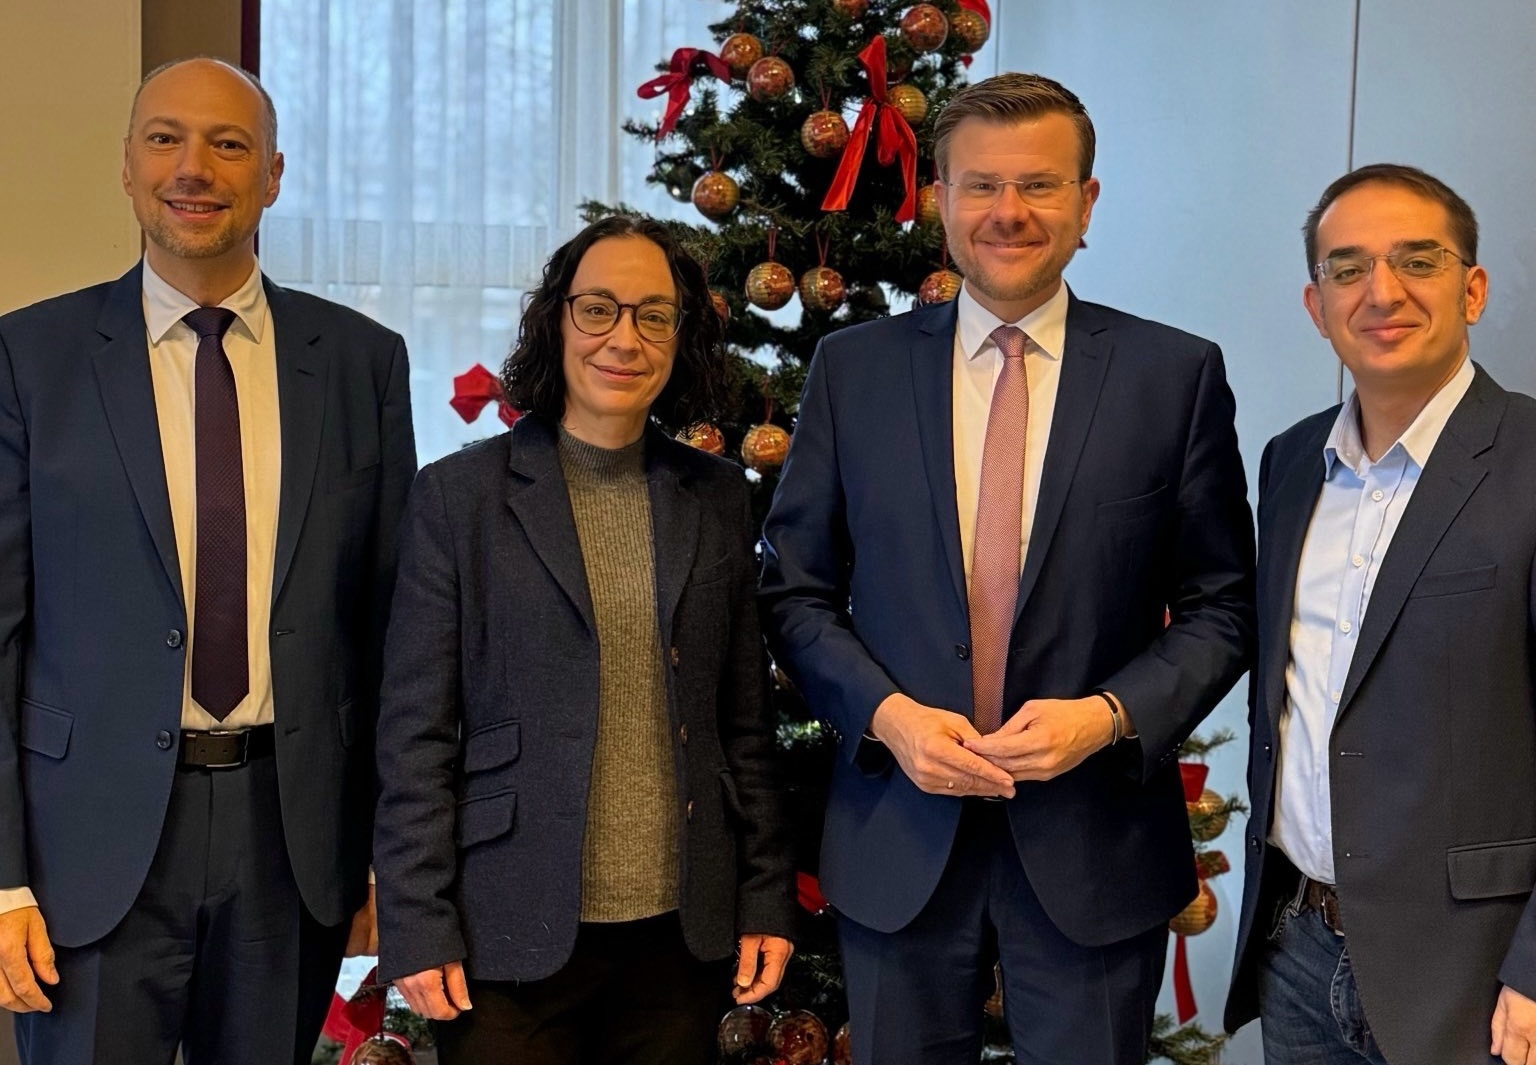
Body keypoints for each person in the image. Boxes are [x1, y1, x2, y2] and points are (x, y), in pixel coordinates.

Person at [759, 71, 1255, 1065]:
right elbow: (795, 591)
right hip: (899, 837)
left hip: (1097, 845)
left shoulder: (1173, 376)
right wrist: (889, 717)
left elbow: (1224, 605)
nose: (1008, 211)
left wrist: (1106, 717)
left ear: (1087, 202)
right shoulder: (854, 371)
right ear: (941, 198)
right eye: (981, 185)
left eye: (1039, 184)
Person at [0, 57, 415, 1064]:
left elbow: (392, 634)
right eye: (165, 138)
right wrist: (3, 876)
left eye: (229, 144)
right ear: (127, 166)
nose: (194, 167)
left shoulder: (361, 362)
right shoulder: (29, 359)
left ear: (272, 175)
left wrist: (384, 857)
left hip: (291, 842)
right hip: (84, 849)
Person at [372, 215, 796, 1065]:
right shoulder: (460, 497)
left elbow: (744, 725)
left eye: (653, 315)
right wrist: (416, 918)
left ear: (680, 336)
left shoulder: (716, 496)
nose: (624, 339)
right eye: (598, 308)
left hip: (680, 936)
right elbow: (416, 733)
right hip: (504, 932)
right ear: (557, 320)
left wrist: (765, 897)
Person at [1225, 164, 1536, 1065]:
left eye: (1418, 261)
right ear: (1317, 306)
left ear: (1472, 289)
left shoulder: (1528, 459)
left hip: (1476, 975)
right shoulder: (1289, 464)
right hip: (1297, 949)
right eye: (1348, 268)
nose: (1382, 292)